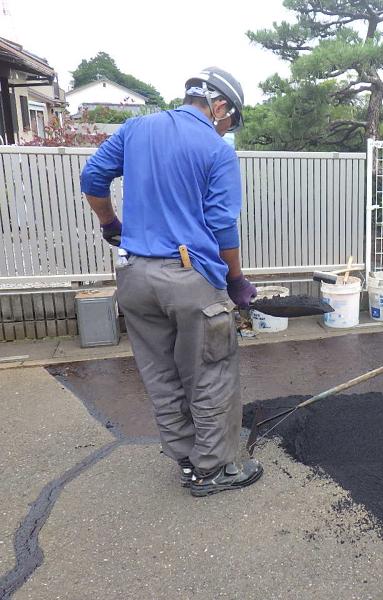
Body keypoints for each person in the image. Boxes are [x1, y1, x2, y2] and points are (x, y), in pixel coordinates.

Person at [80, 67, 263, 497]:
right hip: (188, 278)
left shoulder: (136, 128)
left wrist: (111, 225)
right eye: (229, 122)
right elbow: (222, 228)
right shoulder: (216, 152)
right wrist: (235, 281)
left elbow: (92, 179)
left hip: (134, 277)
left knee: (161, 372)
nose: (226, 130)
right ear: (219, 106)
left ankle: (186, 458)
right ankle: (214, 470)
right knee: (210, 372)